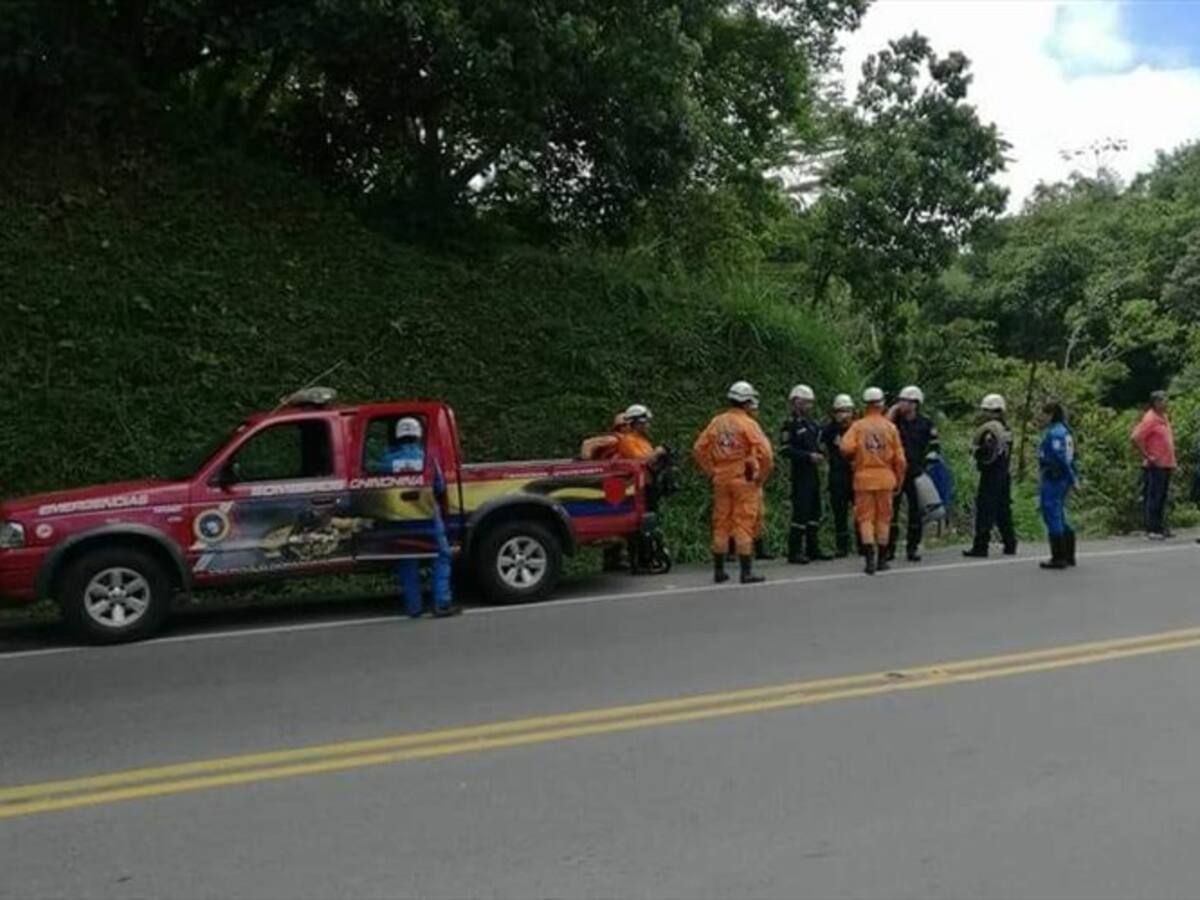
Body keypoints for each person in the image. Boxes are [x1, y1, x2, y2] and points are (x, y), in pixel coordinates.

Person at [693, 381, 774, 585]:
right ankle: (746, 572)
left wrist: (711, 471)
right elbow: (766, 453)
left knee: (721, 522)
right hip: (743, 479)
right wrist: (761, 477)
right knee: (743, 522)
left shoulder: (717, 421)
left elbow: (698, 449)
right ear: (746, 402)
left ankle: (719, 571)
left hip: (721, 479)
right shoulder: (748, 423)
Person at [380, 418, 459, 617]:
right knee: (441, 556)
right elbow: (440, 487)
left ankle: (414, 608)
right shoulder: (427, 458)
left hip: (400, 520)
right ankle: (442, 603)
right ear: (418, 435)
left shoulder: (386, 461)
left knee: (407, 562)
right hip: (428, 519)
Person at [841, 387, 907, 575]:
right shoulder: (890, 427)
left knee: (865, 519)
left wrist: (857, 456)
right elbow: (901, 460)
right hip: (886, 478)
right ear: (882, 404)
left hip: (863, 478)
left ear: (865, 405)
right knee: (884, 518)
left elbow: (845, 447)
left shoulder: (858, 426)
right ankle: (882, 559)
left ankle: (869, 559)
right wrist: (899, 480)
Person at [886, 385, 941, 562]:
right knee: (891, 512)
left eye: (906, 401)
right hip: (895, 473)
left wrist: (927, 464)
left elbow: (934, 447)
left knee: (915, 512)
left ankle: (912, 547)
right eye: (901, 401)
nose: (902, 404)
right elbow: (882, 430)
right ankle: (889, 548)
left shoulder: (926, 424)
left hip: (915, 473)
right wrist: (892, 412)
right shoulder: (894, 422)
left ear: (915, 404)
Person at [780, 384, 832, 564]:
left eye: (811, 403)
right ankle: (794, 551)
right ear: (796, 402)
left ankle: (813, 548)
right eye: (806, 402)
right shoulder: (790, 424)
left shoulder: (812, 424)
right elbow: (785, 450)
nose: (809, 406)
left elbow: (820, 442)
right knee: (800, 512)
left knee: (814, 511)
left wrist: (821, 452)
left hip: (813, 473)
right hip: (800, 472)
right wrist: (808, 456)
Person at [963, 393, 1018, 558]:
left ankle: (981, 546)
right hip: (1004, 473)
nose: (985, 414)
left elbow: (988, 453)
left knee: (985, 509)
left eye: (987, 411)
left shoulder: (991, 431)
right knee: (1003, 510)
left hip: (991, 474)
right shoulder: (1007, 429)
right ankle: (1010, 543)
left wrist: (975, 452)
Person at [1131, 390, 1177, 540]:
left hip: (1166, 462)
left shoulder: (1163, 417)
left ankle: (1159, 527)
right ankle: (1151, 528)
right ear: (1156, 402)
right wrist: (1147, 455)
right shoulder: (1150, 418)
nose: (1166, 403)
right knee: (1154, 497)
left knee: (1162, 497)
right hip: (1156, 464)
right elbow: (1136, 437)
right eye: (1163, 400)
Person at [1037, 400, 1077, 570]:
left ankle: (1059, 556)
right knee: (1058, 512)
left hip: (1055, 477)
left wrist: (1073, 478)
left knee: (1051, 512)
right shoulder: (1065, 430)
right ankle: (1068, 554)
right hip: (1060, 477)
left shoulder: (1055, 433)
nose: (1040, 418)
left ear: (1050, 414)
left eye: (1043, 414)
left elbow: (1060, 457)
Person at [821, 393, 857, 558]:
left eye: (847, 411)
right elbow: (822, 449)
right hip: (838, 475)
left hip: (856, 475)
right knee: (839, 512)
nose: (844, 415)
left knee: (860, 511)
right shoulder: (828, 430)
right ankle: (842, 546)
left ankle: (864, 544)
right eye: (840, 411)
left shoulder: (858, 428)